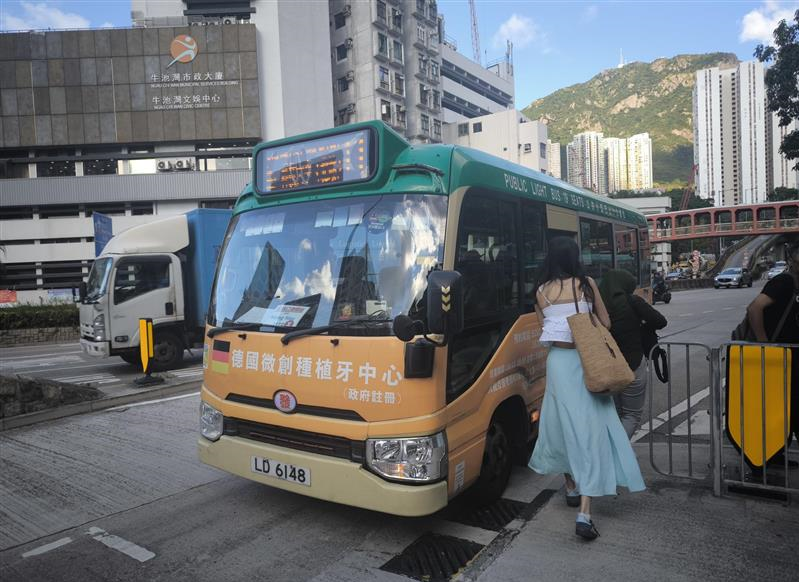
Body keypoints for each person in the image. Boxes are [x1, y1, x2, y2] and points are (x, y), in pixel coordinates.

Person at [528, 237, 645, 541]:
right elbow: (605, 323)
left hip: (557, 364)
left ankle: (570, 485)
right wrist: (585, 318)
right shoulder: (586, 284)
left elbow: (547, 330)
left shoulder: (540, 291)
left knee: (560, 426)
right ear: (574, 258)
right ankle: (584, 514)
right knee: (589, 431)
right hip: (585, 364)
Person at [598, 270, 668, 438]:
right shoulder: (632, 301)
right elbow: (661, 321)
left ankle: (616, 456)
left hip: (607, 368)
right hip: (633, 364)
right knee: (631, 415)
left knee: (615, 414)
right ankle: (617, 456)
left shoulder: (596, 307)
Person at [746, 238, 799, 449]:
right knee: (785, 406)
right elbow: (755, 308)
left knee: (786, 407)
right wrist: (763, 343)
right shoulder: (784, 282)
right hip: (778, 356)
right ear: (793, 261)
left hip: (791, 356)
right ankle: (772, 454)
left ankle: (777, 452)